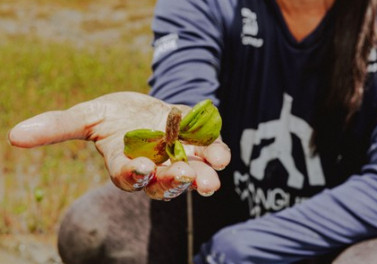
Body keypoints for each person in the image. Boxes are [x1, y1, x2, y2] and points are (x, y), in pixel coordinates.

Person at [8, 0, 377, 263]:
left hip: (346, 227)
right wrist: (174, 117)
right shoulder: (204, 4)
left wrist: (240, 246)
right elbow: (184, 88)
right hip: (227, 195)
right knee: (92, 227)